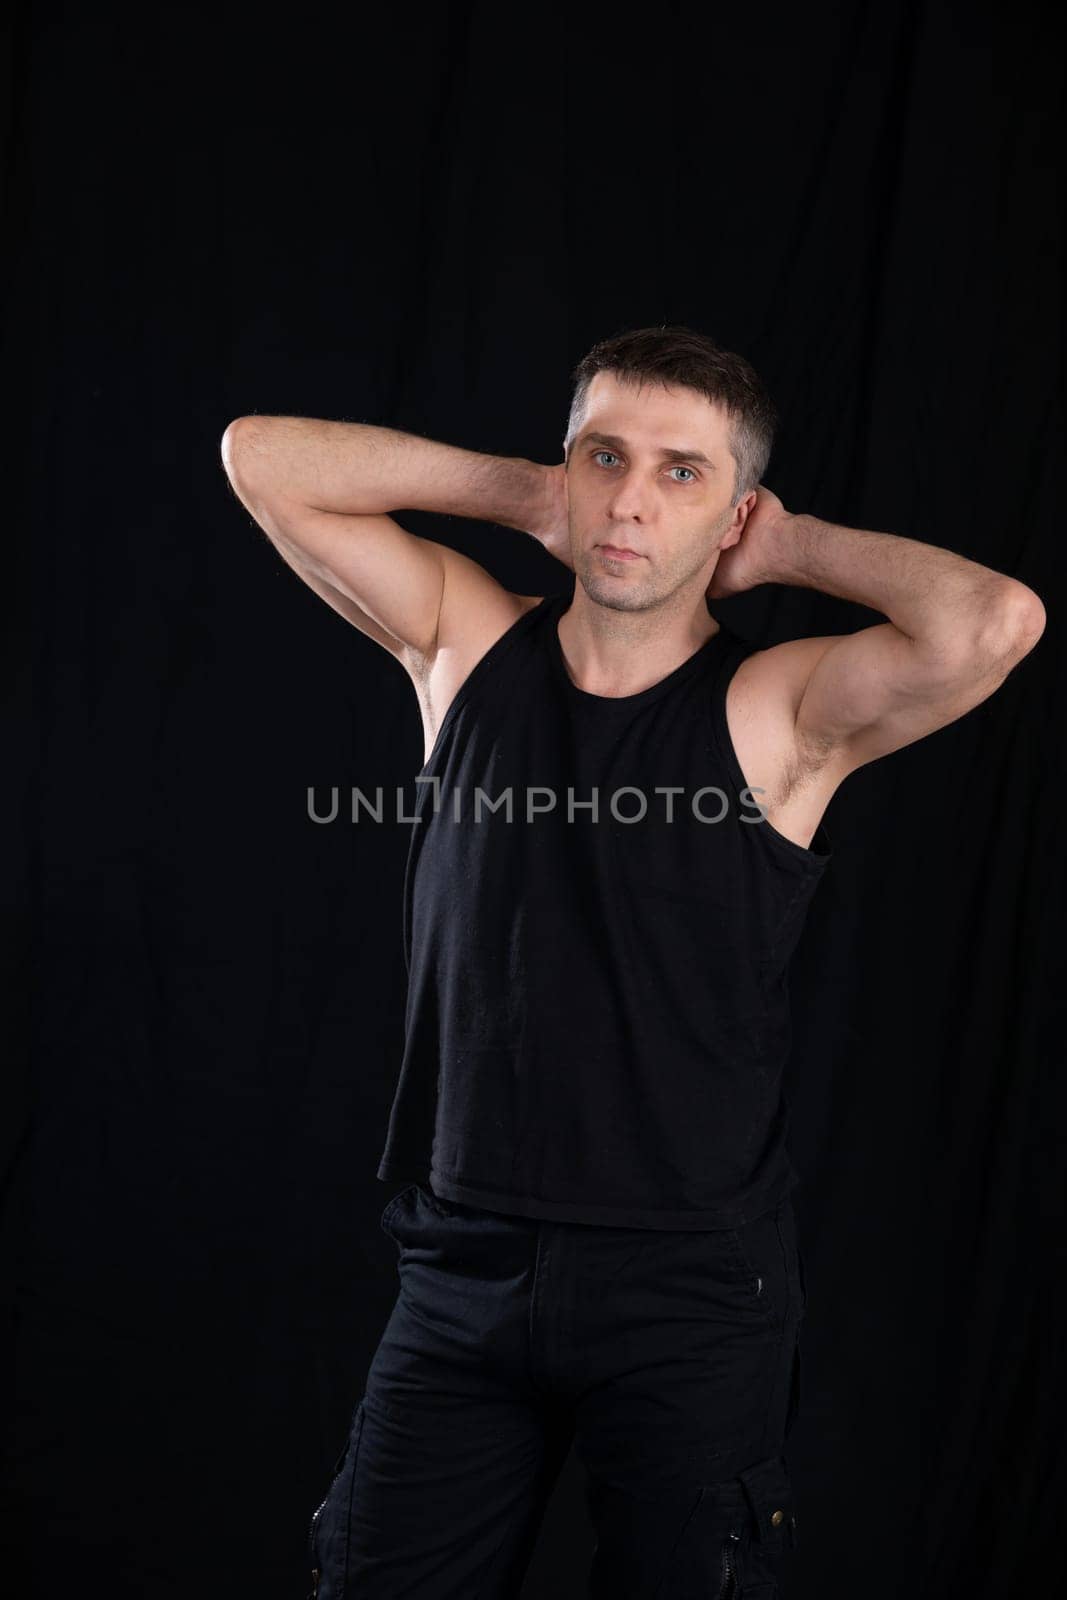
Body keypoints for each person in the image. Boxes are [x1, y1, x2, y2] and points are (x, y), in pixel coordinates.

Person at [221, 325, 1045, 1598]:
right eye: (604, 457)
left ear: (732, 511)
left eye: (679, 473)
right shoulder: (462, 642)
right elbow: (262, 457)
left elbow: (991, 618)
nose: (626, 499)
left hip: (687, 1286)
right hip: (463, 1264)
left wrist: (788, 545)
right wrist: (526, 490)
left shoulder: (775, 710)